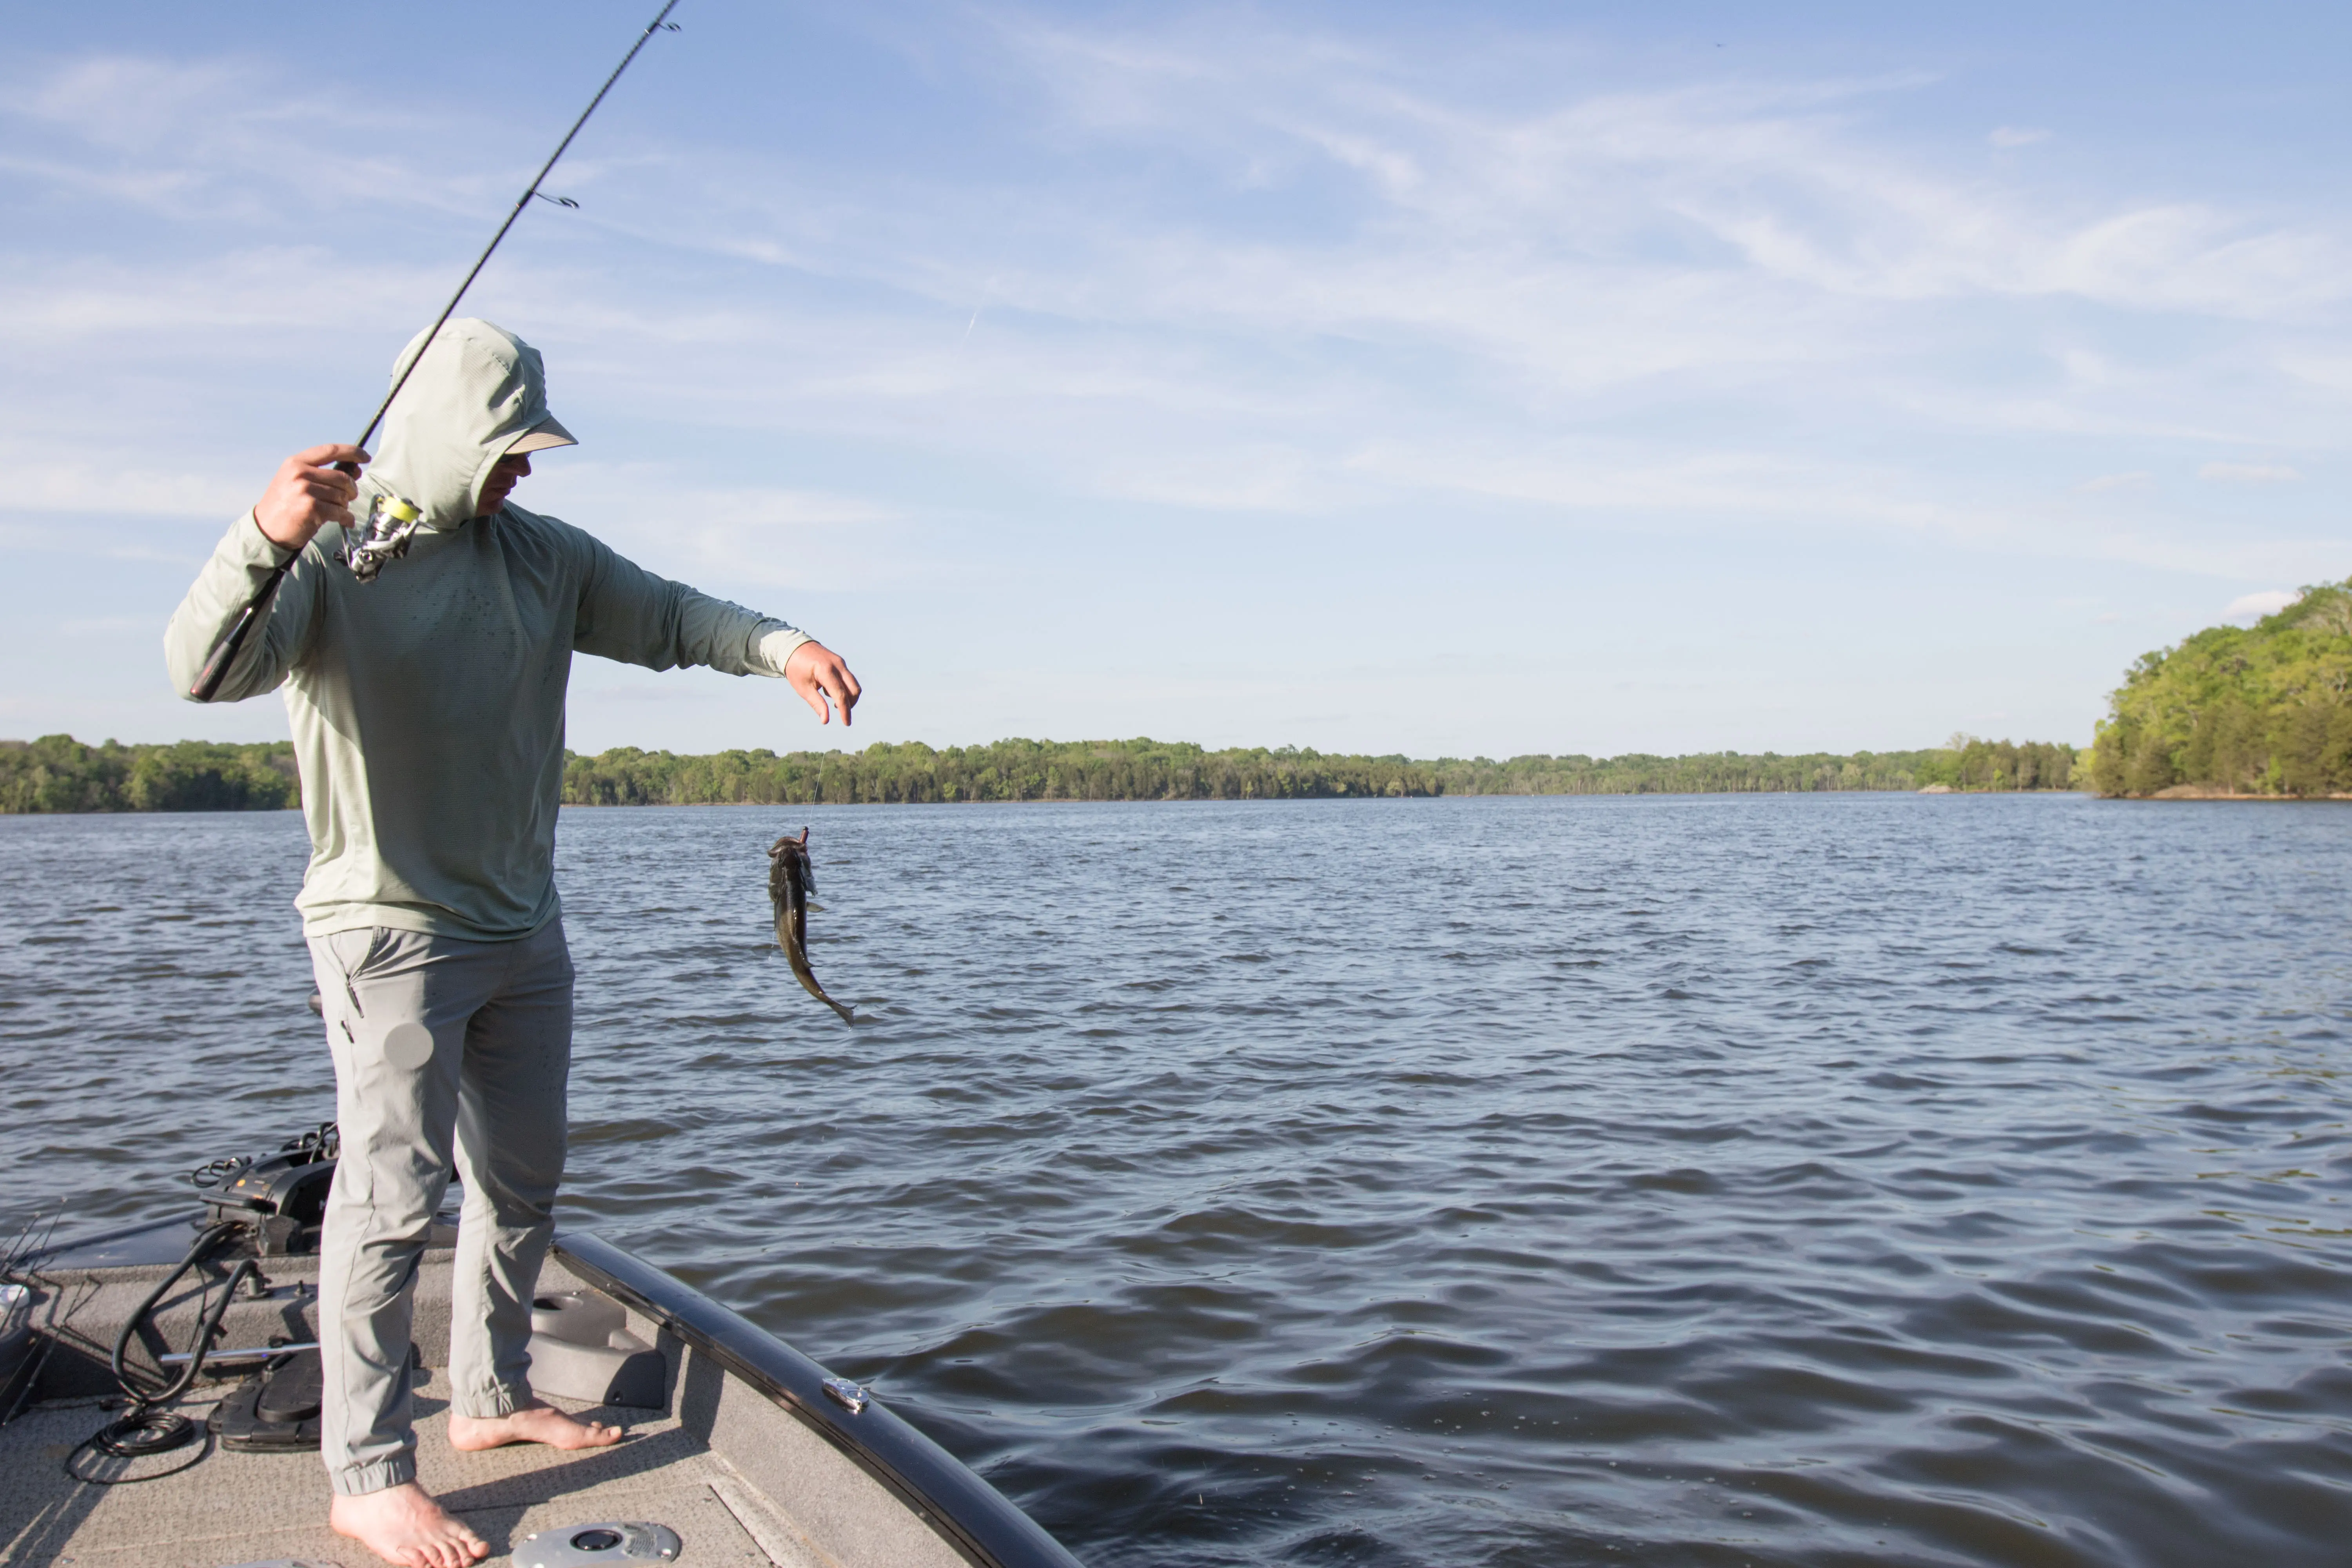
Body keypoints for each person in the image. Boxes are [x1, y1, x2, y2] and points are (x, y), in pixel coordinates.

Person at [163, 319, 861, 1568]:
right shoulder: (326, 560)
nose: (525, 472)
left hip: (523, 929)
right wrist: (263, 535)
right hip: (387, 935)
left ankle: (489, 1402)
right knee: (386, 1207)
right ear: (432, 433)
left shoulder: (543, 560)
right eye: (507, 447)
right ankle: (369, 1474)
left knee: (522, 1182)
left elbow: (675, 614)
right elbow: (201, 672)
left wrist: (783, 646)